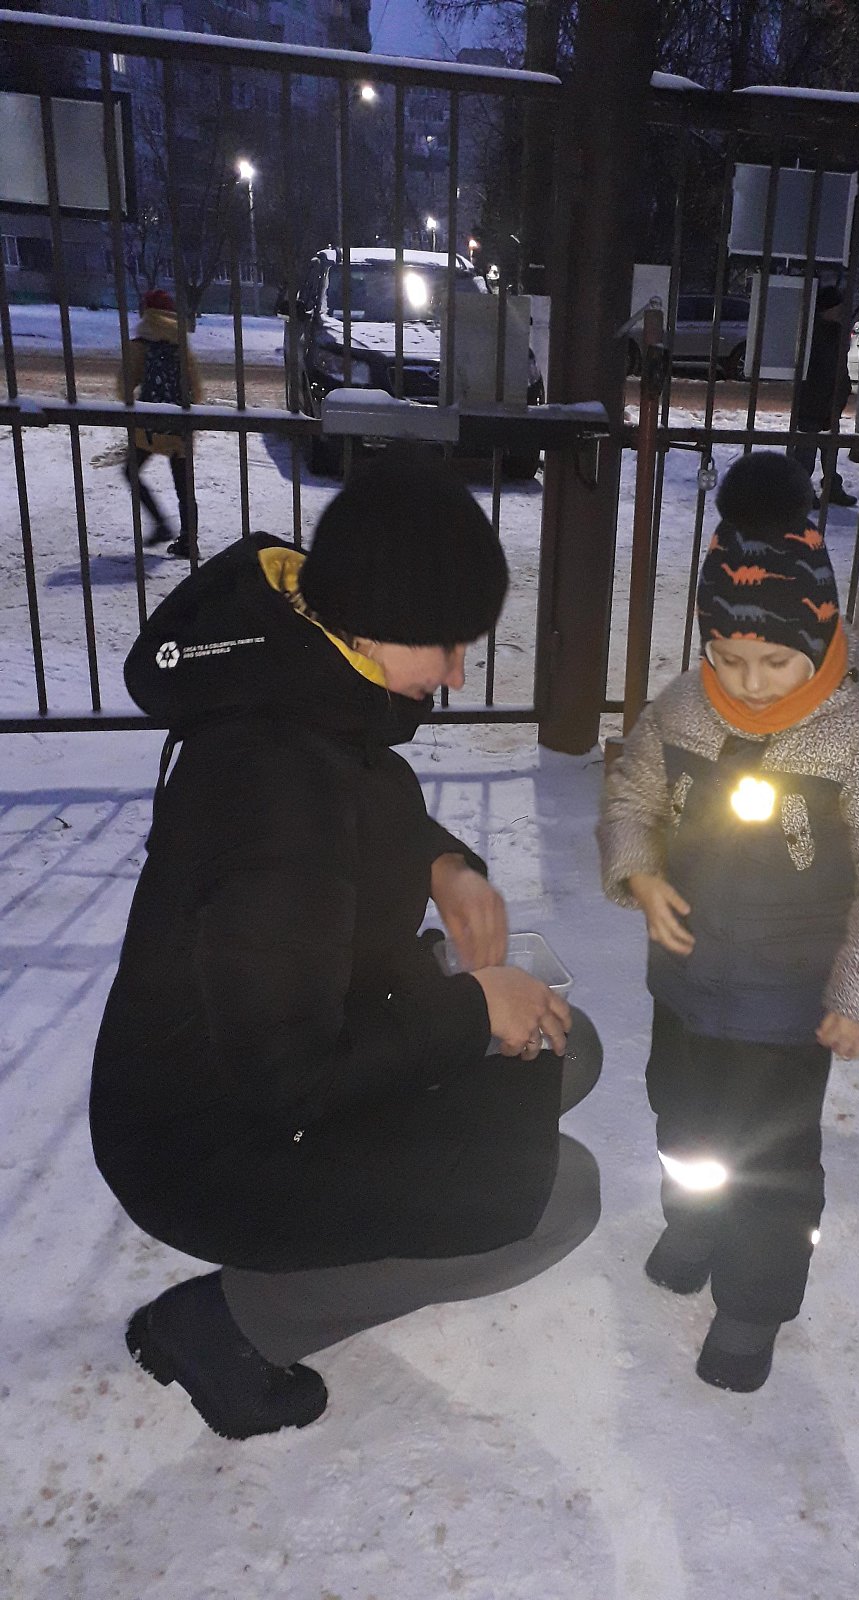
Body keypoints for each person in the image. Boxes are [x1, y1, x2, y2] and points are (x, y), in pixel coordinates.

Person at [91, 447, 602, 1440]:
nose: (457, 673)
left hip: (301, 1040)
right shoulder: (274, 786)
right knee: (556, 1198)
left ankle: (360, 1206)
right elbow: (290, 1074)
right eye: (447, 646)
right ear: (373, 622)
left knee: (563, 1050)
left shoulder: (306, 676)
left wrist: (443, 865)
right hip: (210, 1137)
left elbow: (362, 803)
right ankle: (228, 1326)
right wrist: (472, 1009)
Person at [598, 450, 859, 1393]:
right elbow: (631, 795)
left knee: (773, 1162)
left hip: (788, 1009)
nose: (747, 681)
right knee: (683, 1123)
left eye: (774, 660)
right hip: (686, 987)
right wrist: (640, 870)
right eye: (727, 656)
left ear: (821, 638)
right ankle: (693, 1223)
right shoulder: (684, 710)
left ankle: (753, 1303)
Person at [116, 287, 202, 558]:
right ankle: (189, 542)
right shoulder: (181, 343)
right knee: (184, 488)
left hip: (149, 426)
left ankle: (161, 523)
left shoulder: (140, 343)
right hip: (179, 425)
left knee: (130, 471)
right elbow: (198, 391)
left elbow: (122, 389)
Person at [794, 283, 857, 507]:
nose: (840, 311)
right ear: (826, 308)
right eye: (836, 307)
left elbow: (839, 367)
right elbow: (816, 368)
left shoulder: (836, 331)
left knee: (829, 449)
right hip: (813, 399)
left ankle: (832, 488)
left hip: (830, 399)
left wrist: (843, 390)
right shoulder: (813, 333)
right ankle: (803, 491)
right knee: (807, 450)